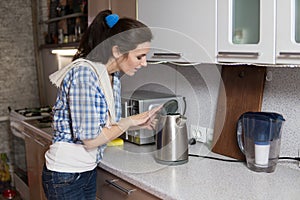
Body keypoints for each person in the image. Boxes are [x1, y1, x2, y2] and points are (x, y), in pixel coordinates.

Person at [42, 9, 161, 200]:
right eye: (139, 56)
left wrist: (135, 122)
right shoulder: (85, 74)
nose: (144, 63)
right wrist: (129, 122)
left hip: (87, 170)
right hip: (65, 176)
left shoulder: (112, 78)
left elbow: (103, 125)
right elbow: (91, 139)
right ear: (117, 51)